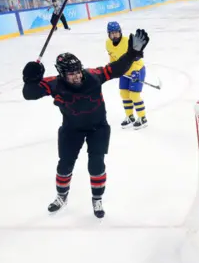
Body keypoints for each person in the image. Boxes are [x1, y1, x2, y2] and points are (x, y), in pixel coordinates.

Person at [21, 30, 150, 218]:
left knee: (96, 165)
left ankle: (97, 199)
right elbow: (29, 93)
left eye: (78, 71)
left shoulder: (93, 75)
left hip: (98, 127)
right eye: (71, 74)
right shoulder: (55, 84)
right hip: (71, 130)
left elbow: (116, 68)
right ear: (62, 74)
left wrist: (132, 53)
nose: (77, 76)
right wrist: (30, 78)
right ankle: (61, 196)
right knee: (64, 165)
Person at [106, 21, 148, 129]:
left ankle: (142, 118)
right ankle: (130, 116)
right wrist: (112, 67)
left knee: (134, 95)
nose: (115, 35)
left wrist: (135, 71)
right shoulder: (108, 43)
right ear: (108, 34)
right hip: (123, 72)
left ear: (120, 32)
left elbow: (137, 58)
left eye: (116, 32)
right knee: (124, 94)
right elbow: (113, 57)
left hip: (137, 70)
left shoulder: (127, 42)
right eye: (112, 33)